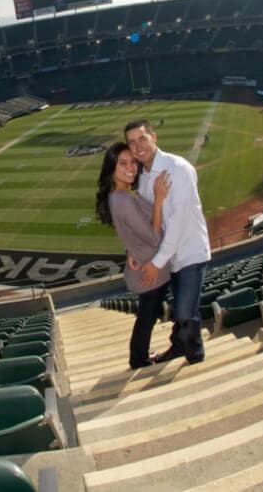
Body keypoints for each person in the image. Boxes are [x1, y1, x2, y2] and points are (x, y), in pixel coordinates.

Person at [125, 118, 210, 364]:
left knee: (184, 312)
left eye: (142, 138)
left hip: (189, 252)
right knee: (182, 310)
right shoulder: (143, 179)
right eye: (131, 143)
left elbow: (178, 222)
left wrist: (156, 262)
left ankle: (196, 357)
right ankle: (179, 347)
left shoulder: (178, 168)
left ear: (154, 138)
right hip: (168, 256)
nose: (138, 146)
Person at [96, 142, 172, 369]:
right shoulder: (123, 199)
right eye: (123, 163)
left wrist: (131, 249)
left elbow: (132, 230)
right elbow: (153, 236)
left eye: (133, 163)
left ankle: (139, 355)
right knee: (147, 317)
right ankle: (138, 359)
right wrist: (159, 198)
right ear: (112, 168)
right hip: (152, 269)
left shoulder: (119, 195)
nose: (131, 168)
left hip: (146, 263)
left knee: (147, 315)